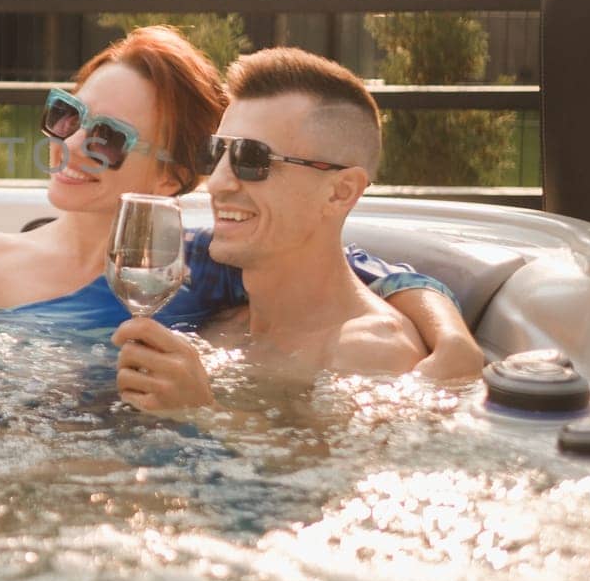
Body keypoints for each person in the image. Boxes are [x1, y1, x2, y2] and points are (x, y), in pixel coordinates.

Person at [0, 25, 480, 375]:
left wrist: (452, 341)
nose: (71, 144)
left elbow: (357, 266)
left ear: (172, 178)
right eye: (66, 115)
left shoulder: (195, 266)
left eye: (106, 138)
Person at [113, 47, 441, 413]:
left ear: (340, 192)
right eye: (215, 152)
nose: (217, 182)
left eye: (252, 159)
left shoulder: (371, 351)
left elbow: (342, 469)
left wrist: (203, 412)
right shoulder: (218, 320)